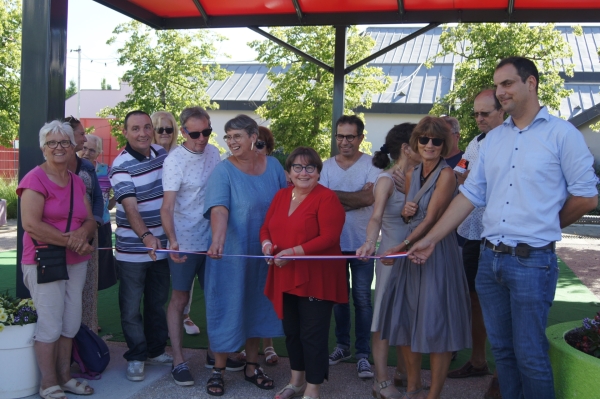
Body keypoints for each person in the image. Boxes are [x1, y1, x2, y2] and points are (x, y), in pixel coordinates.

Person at [407, 57, 598, 399]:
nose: (500, 92)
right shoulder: (491, 142)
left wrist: (542, 227)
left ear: (531, 83)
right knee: (505, 355)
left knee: (530, 355)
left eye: (507, 83)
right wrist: (430, 239)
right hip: (488, 259)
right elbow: (468, 197)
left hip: (532, 261)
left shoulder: (562, 134)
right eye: (497, 85)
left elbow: (586, 197)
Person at [378, 116, 472, 399]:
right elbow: (413, 213)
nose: (430, 145)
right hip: (410, 250)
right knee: (405, 319)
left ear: (445, 145)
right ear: (416, 142)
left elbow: (431, 219)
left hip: (437, 251)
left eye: (437, 140)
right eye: (424, 139)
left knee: (437, 322)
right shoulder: (411, 173)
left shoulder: (446, 174)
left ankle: (433, 394)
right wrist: (406, 212)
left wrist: (402, 245)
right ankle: (413, 387)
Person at [204, 114, 286, 396]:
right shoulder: (222, 171)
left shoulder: (274, 166)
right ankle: (219, 369)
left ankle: (252, 366)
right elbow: (218, 208)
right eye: (227, 136)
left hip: (265, 254)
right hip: (230, 254)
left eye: (237, 136)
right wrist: (218, 239)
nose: (231, 142)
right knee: (227, 307)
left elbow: (285, 204)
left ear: (254, 137)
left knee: (257, 307)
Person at [18, 120, 96, 399]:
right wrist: (71, 241)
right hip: (44, 259)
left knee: (70, 322)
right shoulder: (34, 179)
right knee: (50, 323)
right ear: (43, 148)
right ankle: (47, 382)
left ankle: (65, 377)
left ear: (74, 146)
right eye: (52, 143)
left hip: (76, 261)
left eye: (64, 142)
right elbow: (31, 225)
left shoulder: (76, 181)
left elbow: (89, 219)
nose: (59, 147)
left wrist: (83, 234)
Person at [261, 146, 347, 399]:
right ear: (288, 172)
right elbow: (266, 227)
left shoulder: (327, 198)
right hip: (285, 274)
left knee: (313, 335)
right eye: (297, 167)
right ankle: (296, 381)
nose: (303, 172)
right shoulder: (281, 196)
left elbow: (329, 237)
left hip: (317, 277)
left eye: (310, 167)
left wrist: (293, 252)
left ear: (319, 173)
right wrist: (267, 246)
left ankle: (313, 388)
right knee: (293, 332)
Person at [160, 106, 230, 386]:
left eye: (207, 132)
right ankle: (178, 360)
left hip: (213, 239)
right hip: (185, 241)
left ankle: (216, 352)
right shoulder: (175, 160)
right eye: (195, 133)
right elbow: (167, 207)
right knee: (179, 299)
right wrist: (173, 240)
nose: (202, 138)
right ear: (184, 131)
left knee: (216, 297)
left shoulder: (214, 152)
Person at [446, 89, 505, 399]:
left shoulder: (514, 141)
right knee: (474, 299)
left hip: (502, 234)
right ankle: (479, 361)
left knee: (501, 302)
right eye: (476, 114)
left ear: (503, 111)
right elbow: (459, 175)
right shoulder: (476, 142)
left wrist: (471, 182)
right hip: (471, 230)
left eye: (485, 113)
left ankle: (502, 373)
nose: (480, 119)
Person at [356, 123, 421, 399]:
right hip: (391, 259)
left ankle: (405, 374)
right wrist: (370, 243)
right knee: (383, 318)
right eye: (422, 141)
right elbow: (375, 217)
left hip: (419, 257)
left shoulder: (425, 175)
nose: (430, 146)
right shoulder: (385, 180)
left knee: (413, 317)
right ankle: (380, 380)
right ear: (406, 148)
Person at [110, 110, 173, 382]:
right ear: (125, 132)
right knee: (131, 307)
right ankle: (136, 356)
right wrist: (147, 236)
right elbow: (130, 207)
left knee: (157, 303)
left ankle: (155, 350)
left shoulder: (162, 154)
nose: (143, 133)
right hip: (133, 250)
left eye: (147, 127)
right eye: (135, 128)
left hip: (162, 247)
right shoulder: (120, 165)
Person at [320, 114, 380, 379]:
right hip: (333, 243)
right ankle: (342, 346)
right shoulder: (325, 166)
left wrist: (335, 197)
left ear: (360, 138)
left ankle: (363, 354)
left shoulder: (373, 165)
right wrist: (357, 198)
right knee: (338, 300)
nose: (344, 142)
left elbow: (371, 197)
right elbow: (320, 203)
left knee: (363, 299)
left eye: (350, 137)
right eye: (340, 136)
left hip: (363, 243)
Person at [151, 110, 201, 335]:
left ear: (176, 131)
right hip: (152, 223)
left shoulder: (184, 154)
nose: (163, 133)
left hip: (180, 226)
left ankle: (185, 315)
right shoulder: (148, 155)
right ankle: (157, 322)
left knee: (182, 279)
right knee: (157, 278)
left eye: (167, 129)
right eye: (159, 129)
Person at [237, 125, 281, 366]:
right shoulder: (233, 166)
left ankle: (269, 345)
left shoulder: (275, 168)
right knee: (246, 293)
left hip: (271, 241)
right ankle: (246, 347)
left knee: (267, 294)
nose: (256, 149)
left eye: (261, 144)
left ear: (269, 147)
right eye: (252, 143)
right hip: (244, 241)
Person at [65, 116, 104, 334]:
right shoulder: (54, 166)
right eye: (81, 133)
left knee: (88, 288)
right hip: (62, 236)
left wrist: (94, 223)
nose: (84, 137)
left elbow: (98, 197)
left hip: (89, 234)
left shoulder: (87, 167)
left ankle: (89, 336)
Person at [79, 134, 117, 293]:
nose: (87, 153)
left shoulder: (106, 171)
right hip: (80, 223)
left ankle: (95, 288)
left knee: (102, 260)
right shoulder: (73, 169)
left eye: (92, 150)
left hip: (102, 223)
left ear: (99, 153)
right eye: (84, 148)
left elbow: (119, 190)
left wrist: (109, 204)